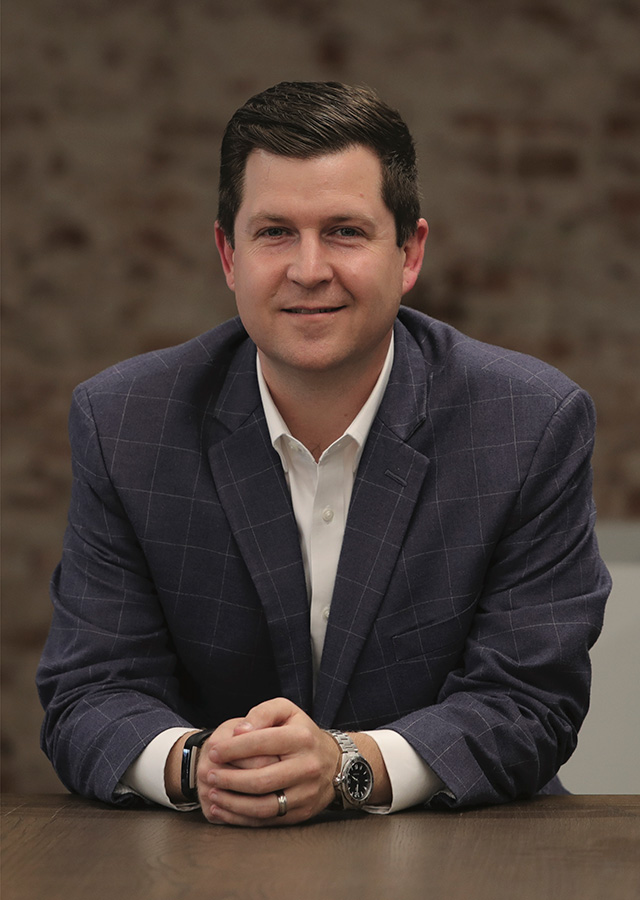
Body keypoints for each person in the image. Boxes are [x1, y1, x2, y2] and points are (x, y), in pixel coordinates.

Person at [37, 81, 611, 826]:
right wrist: (196, 763)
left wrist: (346, 768)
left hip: (459, 855)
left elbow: (531, 704)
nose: (309, 269)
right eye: (275, 232)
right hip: (202, 855)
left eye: (344, 230)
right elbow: (89, 692)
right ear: (227, 254)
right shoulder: (126, 423)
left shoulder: (530, 423)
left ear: (409, 253)